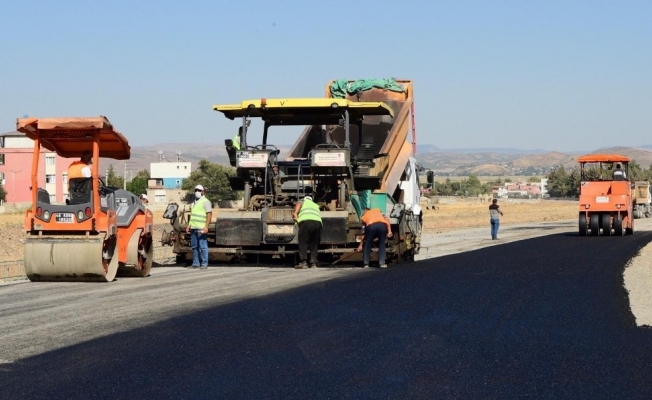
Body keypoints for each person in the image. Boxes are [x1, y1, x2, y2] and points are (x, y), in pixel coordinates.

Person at [185, 184, 213, 270]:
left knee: (203, 246)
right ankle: (196, 263)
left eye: (199, 190)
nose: (197, 192)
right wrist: (189, 225)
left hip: (201, 228)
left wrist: (206, 227)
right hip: (193, 227)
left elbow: (209, 215)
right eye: (196, 190)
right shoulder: (193, 203)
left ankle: (204, 263)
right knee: (194, 246)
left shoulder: (206, 202)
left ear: (203, 192)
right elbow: (192, 215)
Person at [292, 195, 322, 269]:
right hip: (318, 223)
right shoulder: (315, 205)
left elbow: (299, 204)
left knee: (303, 242)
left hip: (306, 222)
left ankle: (304, 263)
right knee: (314, 243)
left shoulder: (303, 201)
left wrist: (295, 213)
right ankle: (313, 263)